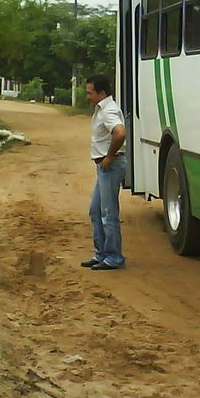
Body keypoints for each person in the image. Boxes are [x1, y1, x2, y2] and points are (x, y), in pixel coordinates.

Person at [82, 73, 127, 271]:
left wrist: (109, 156)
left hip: (111, 165)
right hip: (104, 167)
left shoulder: (108, 111)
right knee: (95, 210)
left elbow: (120, 133)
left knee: (108, 213)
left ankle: (114, 257)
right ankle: (101, 254)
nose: (88, 96)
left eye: (90, 93)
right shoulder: (102, 108)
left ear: (101, 93)